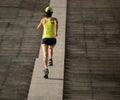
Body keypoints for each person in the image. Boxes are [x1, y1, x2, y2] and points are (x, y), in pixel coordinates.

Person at [37, 6, 58, 79]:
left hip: (45, 39)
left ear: (45, 13)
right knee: (51, 48)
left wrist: (42, 23)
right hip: (52, 39)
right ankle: (51, 59)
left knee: (45, 54)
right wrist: (56, 32)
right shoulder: (54, 19)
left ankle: (46, 69)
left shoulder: (43, 20)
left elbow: (38, 28)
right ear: (52, 13)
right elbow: (56, 24)